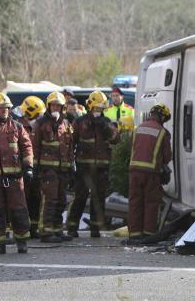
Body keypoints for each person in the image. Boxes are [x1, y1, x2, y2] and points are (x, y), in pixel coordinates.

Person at [0, 92, 33, 254]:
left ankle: (22, 242)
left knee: (19, 210)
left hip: (15, 178)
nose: (5, 111)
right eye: (1, 108)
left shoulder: (17, 127)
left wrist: (28, 167)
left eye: (7, 108)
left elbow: (27, 146)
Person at [67, 90, 119, 238]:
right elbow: (71, 143)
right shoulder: (80, 122)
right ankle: (71, 228)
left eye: (101, 108)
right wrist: (71, 165)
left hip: (101, 168)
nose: (99, 111)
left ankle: (95, 229)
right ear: (90, 107)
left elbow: (116, 140)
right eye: (96, 108)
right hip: (83, 167)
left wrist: (107, 128)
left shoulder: (107, 122)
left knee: (99, 198)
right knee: (80, 197)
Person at [127, 103, 172, 245]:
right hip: (151, 172)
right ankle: (148, 235)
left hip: (134, 171)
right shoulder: (162, 132)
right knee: (151, 203)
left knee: (135, 202)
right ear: (162, 117)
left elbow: (133, 148)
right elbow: (166, 156)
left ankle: (134, 235)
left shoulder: (138, 128)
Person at [33, 92, 75, 243]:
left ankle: (57, 230)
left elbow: (69, 147)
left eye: (58, 105)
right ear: (48, 106)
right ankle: (46, 232)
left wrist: (71, 166)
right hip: (47, 170)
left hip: (63, 170)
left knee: (61, 200)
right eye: (53, 105)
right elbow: (35, 147)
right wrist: (34, 168)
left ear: (63, 107)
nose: (55, 107)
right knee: (50, 200)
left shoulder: (66, 124)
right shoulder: (40, 123)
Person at [17, 96, 46, 238]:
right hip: (21, 169)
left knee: (36, 199)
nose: (41, 115)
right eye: (39, 113)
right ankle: (23, 230)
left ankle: (33, 229)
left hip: (37, 169)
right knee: (23, 201)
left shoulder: (39, 126)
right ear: (31, 112)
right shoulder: (18, 126)